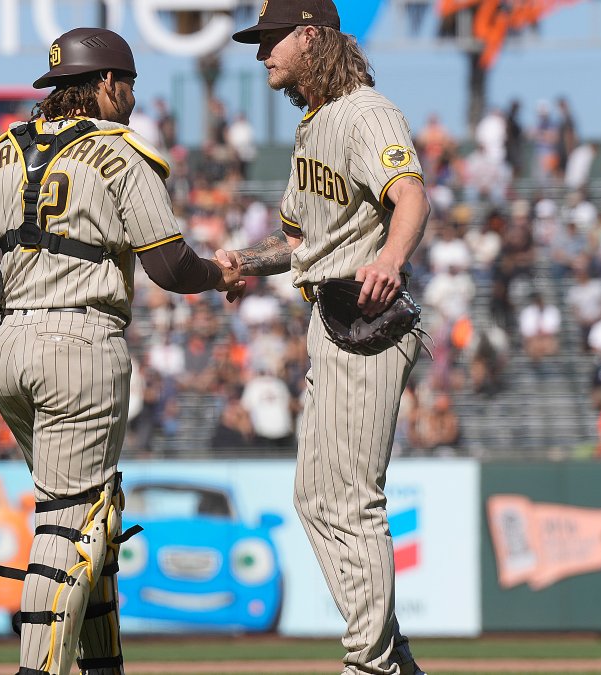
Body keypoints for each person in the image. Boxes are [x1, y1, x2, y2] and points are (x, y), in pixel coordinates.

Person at [0, 27, 241, 675]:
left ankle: (103, 666)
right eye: (125, 85)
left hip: (10, 345)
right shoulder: (120, 152)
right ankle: (35, 669)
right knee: (70, 520)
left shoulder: (2, 149)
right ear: (105, 84)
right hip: (80, 342)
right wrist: (220, 274)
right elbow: (169, 267)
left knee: (93, 509)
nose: (130, 98)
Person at [221, 3, 431, 673]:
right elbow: (300, 241)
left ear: (312, 34)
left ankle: (370, 662)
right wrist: (242, 265)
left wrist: (392, 259)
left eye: (270, 41)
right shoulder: (314, 125)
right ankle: (389, 651)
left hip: (366, 318)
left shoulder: (366, 112)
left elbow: (411, 197)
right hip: (327, 317)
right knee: (314, 499)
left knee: (354, 499)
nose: (262, 56)